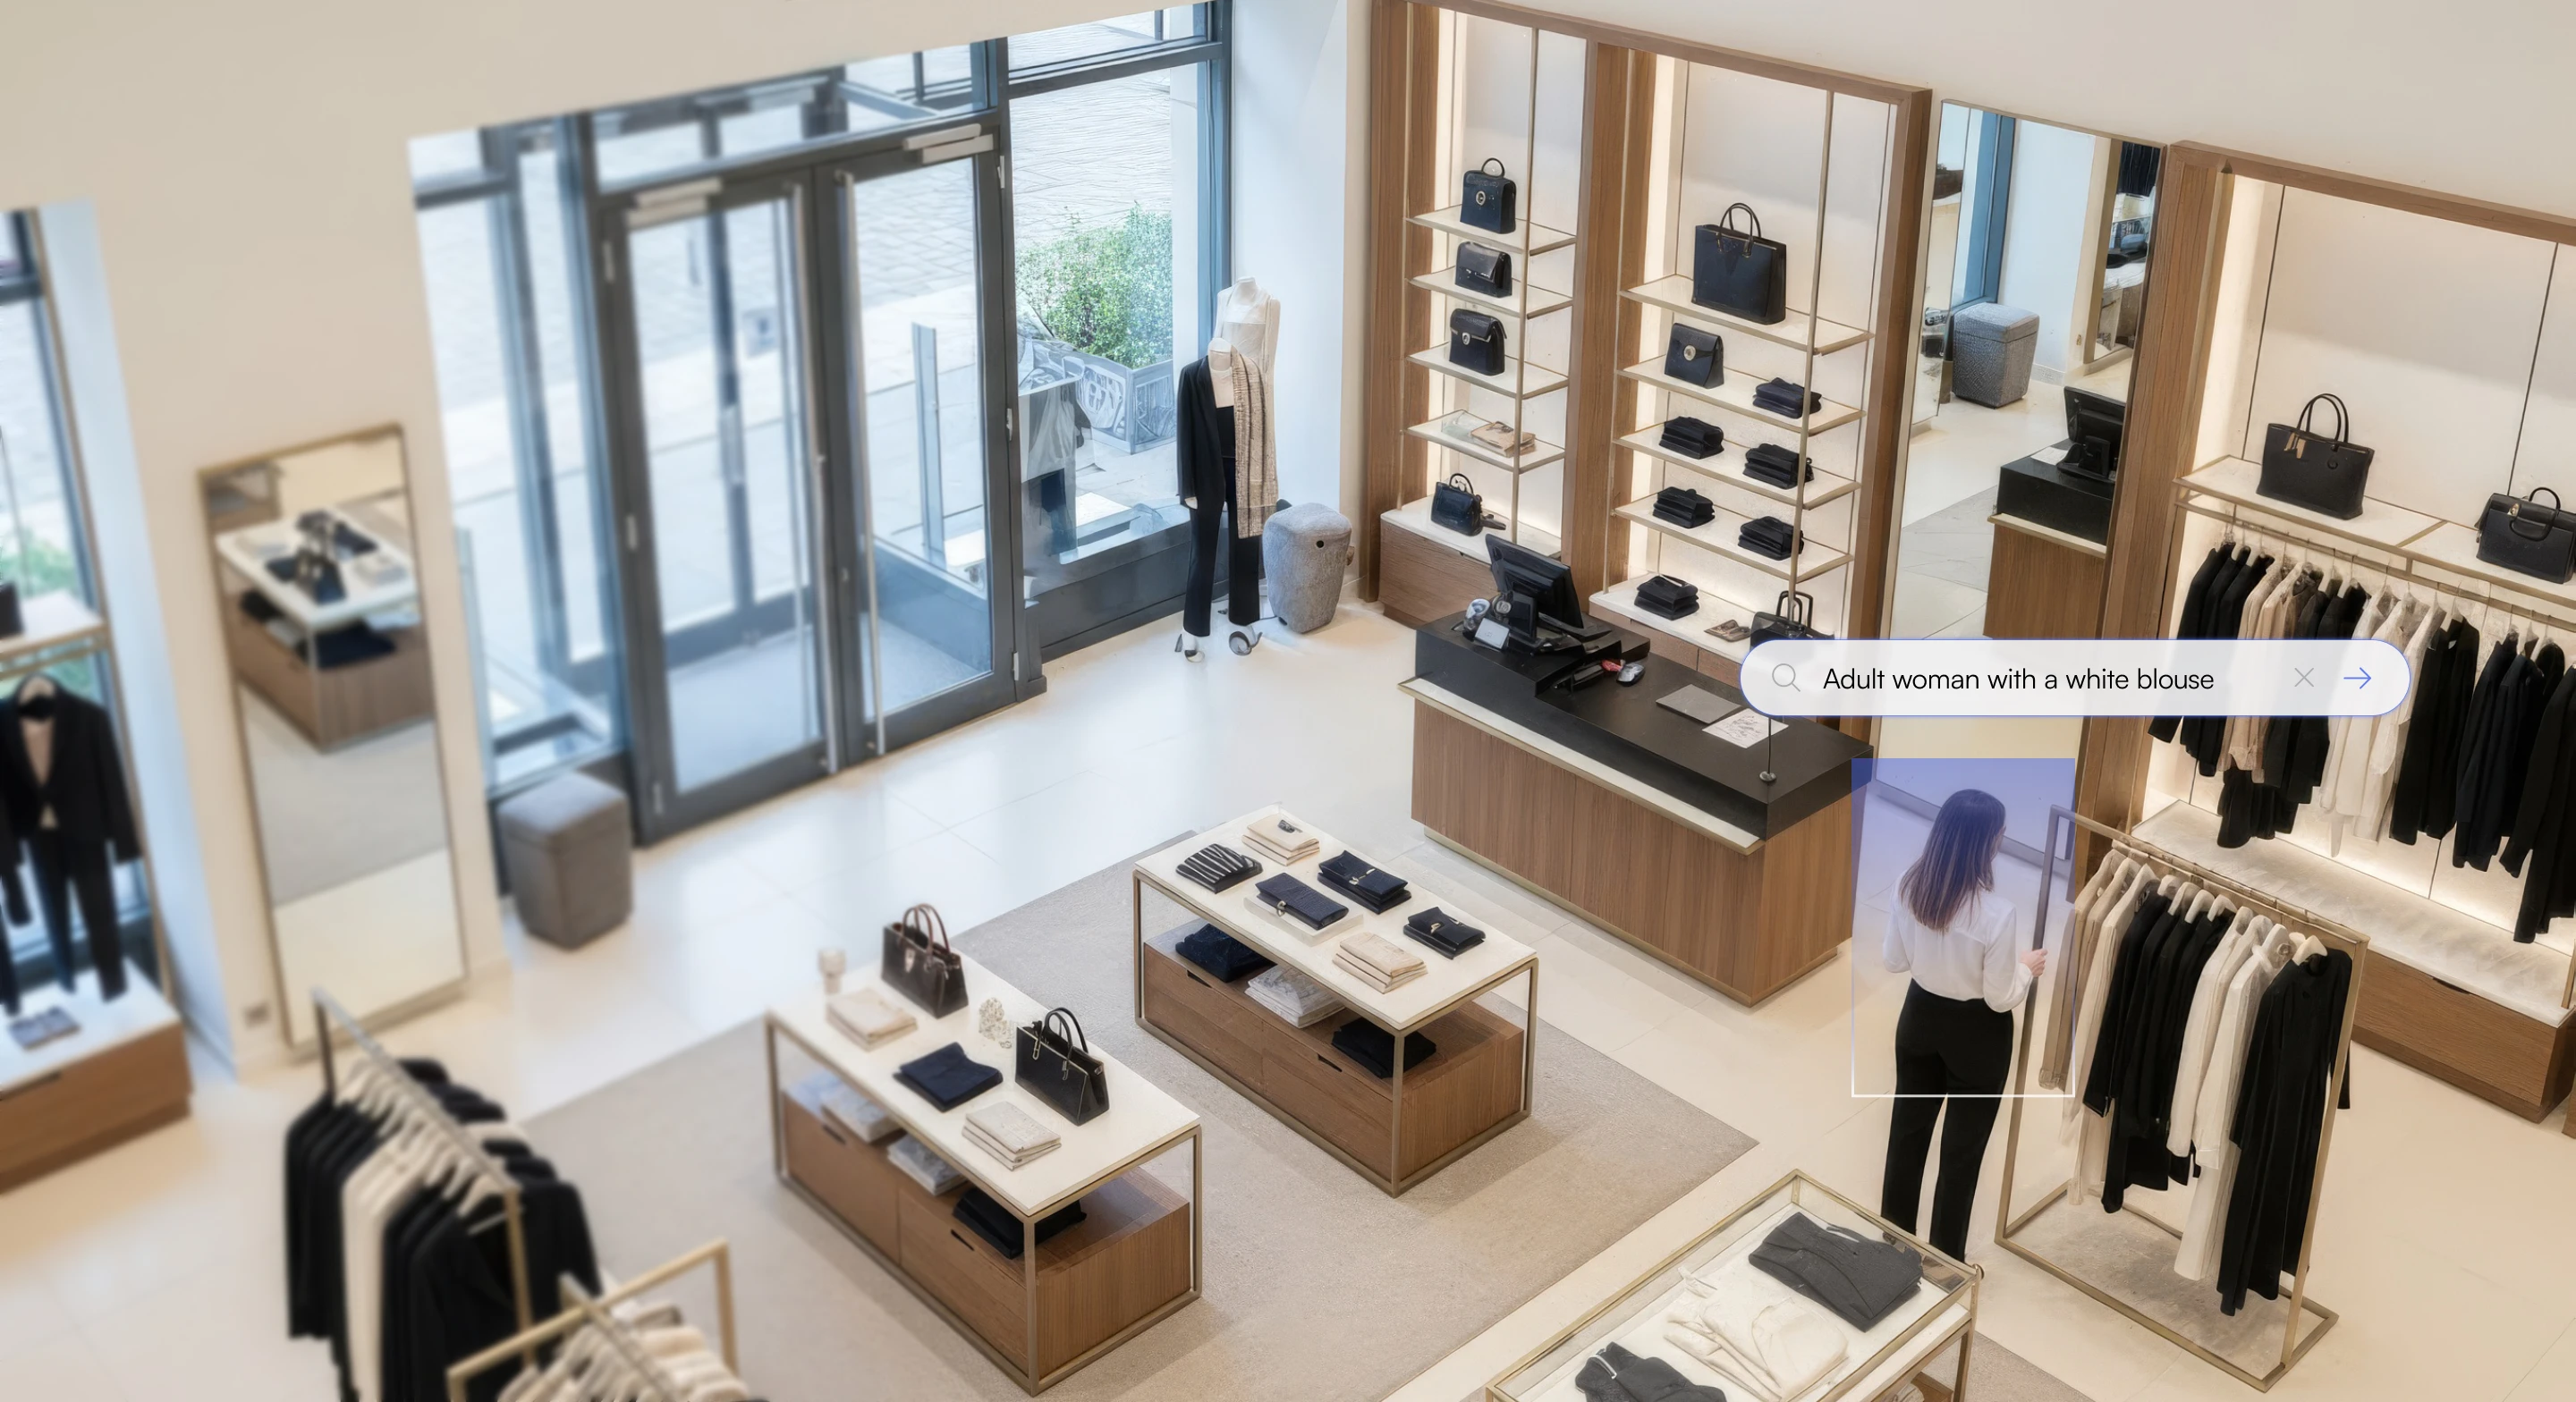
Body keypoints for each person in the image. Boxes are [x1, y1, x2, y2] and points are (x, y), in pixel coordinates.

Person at [1878, 788, 2044, 1260]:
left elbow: (1893, 960)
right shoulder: (1997, 913)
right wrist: (2026, 970)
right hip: (1977, 1037)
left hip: (1919, 1020)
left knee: (1906, 1139)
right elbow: (1999, 997)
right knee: (1960, 1157)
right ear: (1986, 843)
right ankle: (1944, 1265)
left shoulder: (1909, 886)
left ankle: (1891, 1251)